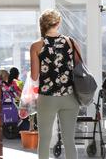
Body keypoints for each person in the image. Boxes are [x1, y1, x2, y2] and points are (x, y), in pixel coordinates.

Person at [30, 9, 80, 159]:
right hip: (70, 96)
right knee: (69, 140)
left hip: (47, 98)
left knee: (44, 140)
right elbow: (79, 68)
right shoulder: (71, 42)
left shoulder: (36, 46)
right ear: (58, 23)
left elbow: (34, 76)